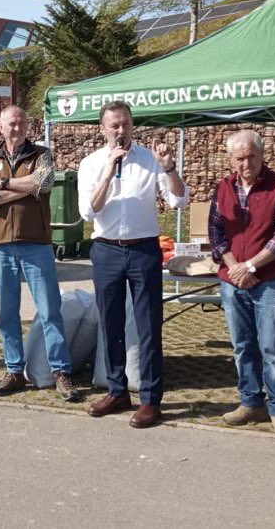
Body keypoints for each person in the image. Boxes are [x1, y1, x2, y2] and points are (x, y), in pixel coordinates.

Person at [79, 101, 189, 428]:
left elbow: (179, 200)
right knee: (110, 323)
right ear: (102, 129)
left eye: (125, 124)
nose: (120, 131)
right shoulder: (92, 163)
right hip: (106, 250)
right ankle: (117, 390)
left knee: (148, 325)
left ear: (132, 125)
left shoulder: (148, 159)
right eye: (114, 125)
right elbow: (88, 211)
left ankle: (151, 400)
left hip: (143, 249)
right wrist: (109, 170)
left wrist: (169, 169)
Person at [0, 105, 78, 402]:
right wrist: (25, 187)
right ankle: (13, 370)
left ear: (27, 126)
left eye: (21, 123)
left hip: (36, 243)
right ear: (0, 127)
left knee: (49, 310)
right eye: (11, 124)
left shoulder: (41, 154)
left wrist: (3, 184)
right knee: (7, 313)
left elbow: (43, 183)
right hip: (1, 246)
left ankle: (61, 371)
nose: (16, 128)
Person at [208, 129, 275, 442]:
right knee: (241, 345)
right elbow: (216, 233)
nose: (245, 163)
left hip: (269, 280)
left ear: (262, 155)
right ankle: (250, 402)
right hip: (233, 280)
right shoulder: (222, 188)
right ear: (231, 159)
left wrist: (250, 266)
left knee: (272, 347)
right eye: (239, 158)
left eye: (251, 157)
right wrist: (235, 267)